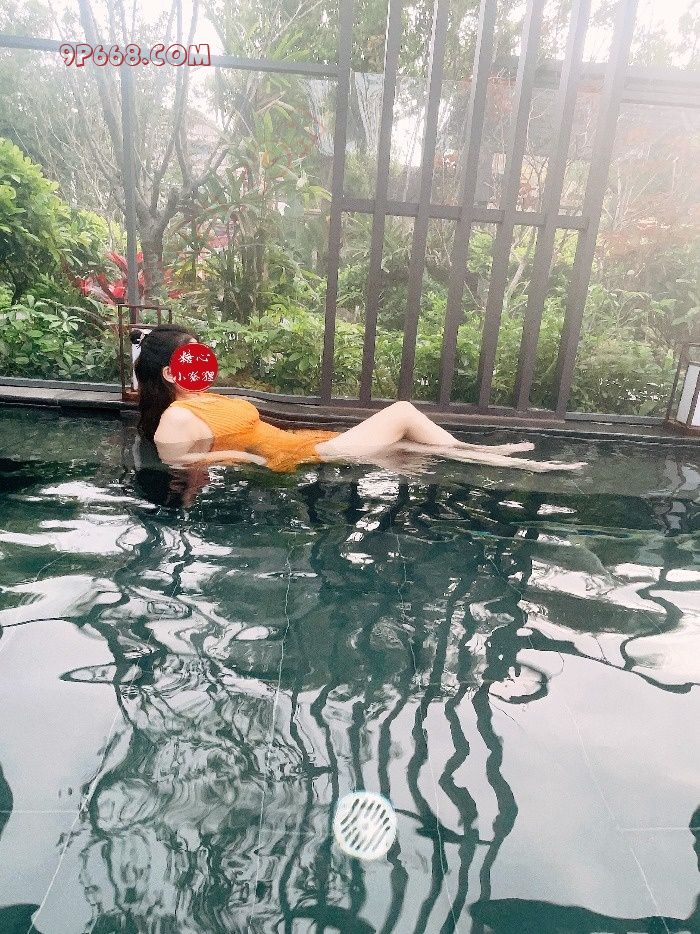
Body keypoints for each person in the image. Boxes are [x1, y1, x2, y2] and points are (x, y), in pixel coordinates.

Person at [135, 324, 585, 474]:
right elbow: (178, 461)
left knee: (408, 443)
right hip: (299, 456)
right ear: (171, 372)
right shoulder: (175, 418)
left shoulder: (200, 400)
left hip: (305, 443)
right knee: (403, 413)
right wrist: (244, 458)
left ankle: (487, 454)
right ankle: (513, 462)